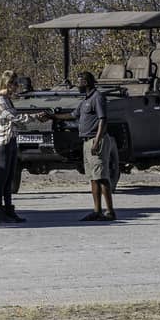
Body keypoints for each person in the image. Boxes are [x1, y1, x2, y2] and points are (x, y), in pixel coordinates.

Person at [0, 70, 51, 223]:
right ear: (8, 84)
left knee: (9, 177)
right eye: (15, 83)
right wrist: (35, 117)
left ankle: (9, 210)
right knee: (2, 178)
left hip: (10, 140)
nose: (17, 86)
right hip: (2, 143)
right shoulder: (0, 100)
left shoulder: (7, 99)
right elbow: (14, 117)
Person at [56, 71, 116, 221]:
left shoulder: (97, 98)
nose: (78, 85)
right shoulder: (85, 100)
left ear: (87, 82)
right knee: (93, 178)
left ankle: (110, 211)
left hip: (97, 141)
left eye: (80, 82)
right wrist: (52, 116)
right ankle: (97, 211)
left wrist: (97, 140)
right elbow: (72, 115)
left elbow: (103, 120)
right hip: (87, 142)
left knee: (102, 177)